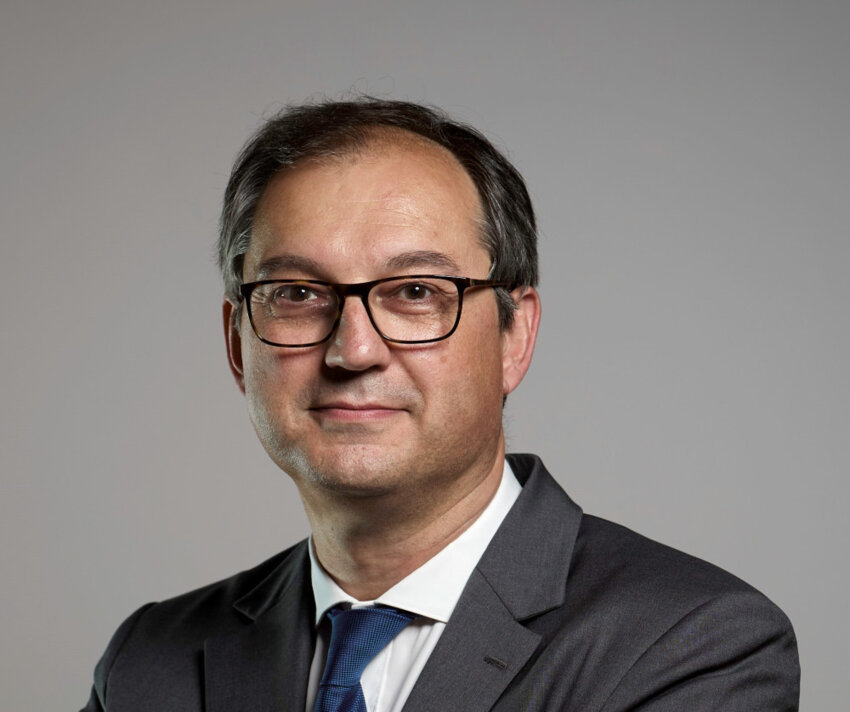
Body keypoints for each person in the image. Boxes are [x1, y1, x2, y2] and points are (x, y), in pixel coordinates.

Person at [81, 98, 800, 712]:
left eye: (416, 292)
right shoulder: (148, 664)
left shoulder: (691, 645)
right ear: (237, 346)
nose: (353, 350)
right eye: (297, 294)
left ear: (514, 337)